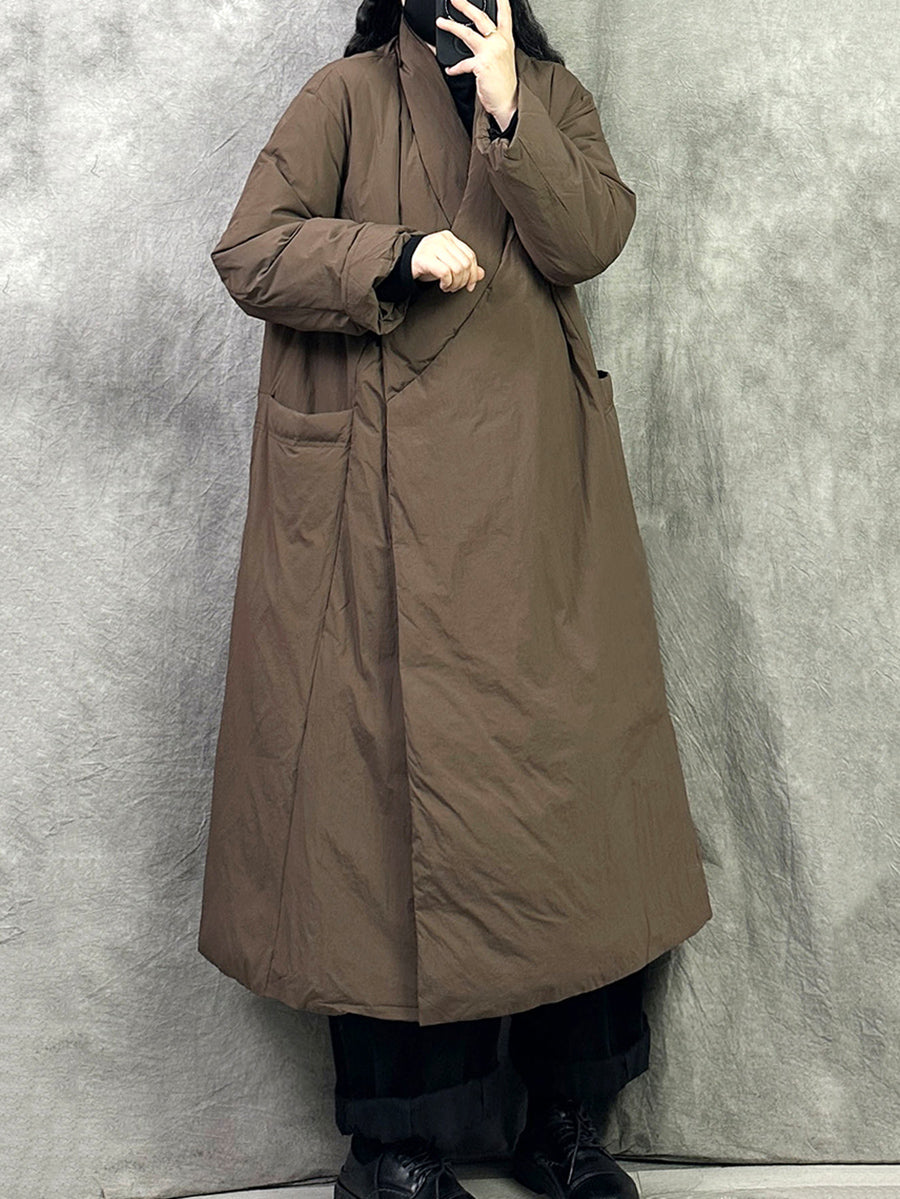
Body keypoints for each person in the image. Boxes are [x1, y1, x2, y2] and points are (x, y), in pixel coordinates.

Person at [198, 0, 713, 1196]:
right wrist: (395, 253)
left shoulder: (554, 94)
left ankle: (566, 1122)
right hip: (378, 525)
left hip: (542, 515)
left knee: (575, 802)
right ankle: (396, 1146)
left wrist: (513, 112)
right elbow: (250, 251)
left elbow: (591, 236)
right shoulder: (343, 98)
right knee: (373, 820)